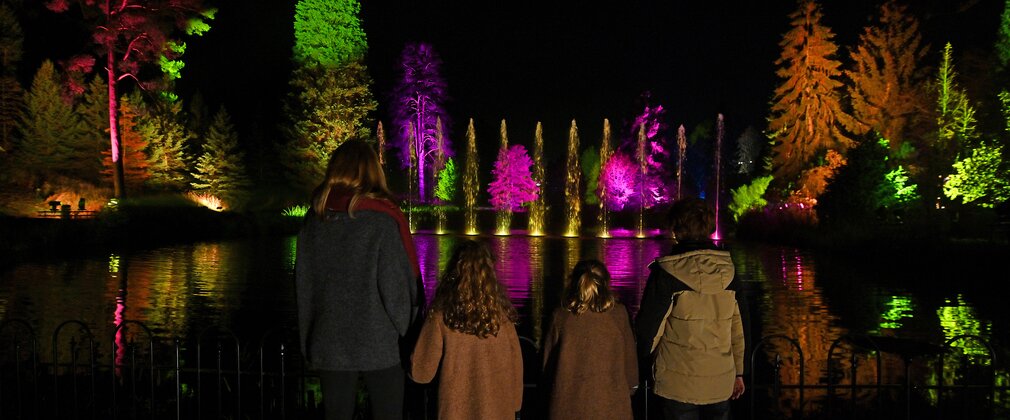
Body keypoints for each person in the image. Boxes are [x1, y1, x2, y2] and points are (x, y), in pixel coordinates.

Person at [294, 139, 419, 420]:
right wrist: (410, 332)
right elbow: (396, 291)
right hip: (380, 344)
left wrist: (308, 341)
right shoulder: (382, 223)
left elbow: (304, 287)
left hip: (329, 340)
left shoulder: (313, 223)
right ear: (373, 173)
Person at [634, 197, 747, 420]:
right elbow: (740, 328)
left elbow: (649, 330)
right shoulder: (729, 272)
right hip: (720, 379)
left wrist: (642, 363)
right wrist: (740, 372)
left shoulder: (667, 273)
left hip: (678, 382)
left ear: (677, 229)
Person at [410, 240, 523, 420]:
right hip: (497, 412)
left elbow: (421, 373)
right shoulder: (503, 318)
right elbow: (516, 369)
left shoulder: (441, 316)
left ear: (454, 273)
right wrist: (514, 405)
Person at [541, 259, 638, 420]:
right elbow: (630, 365)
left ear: (574, 284)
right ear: (606, 284)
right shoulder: (619, 315)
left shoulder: (560, 316)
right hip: (611, 407)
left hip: (567, 408)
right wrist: (630, 388)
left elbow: (547, 367)